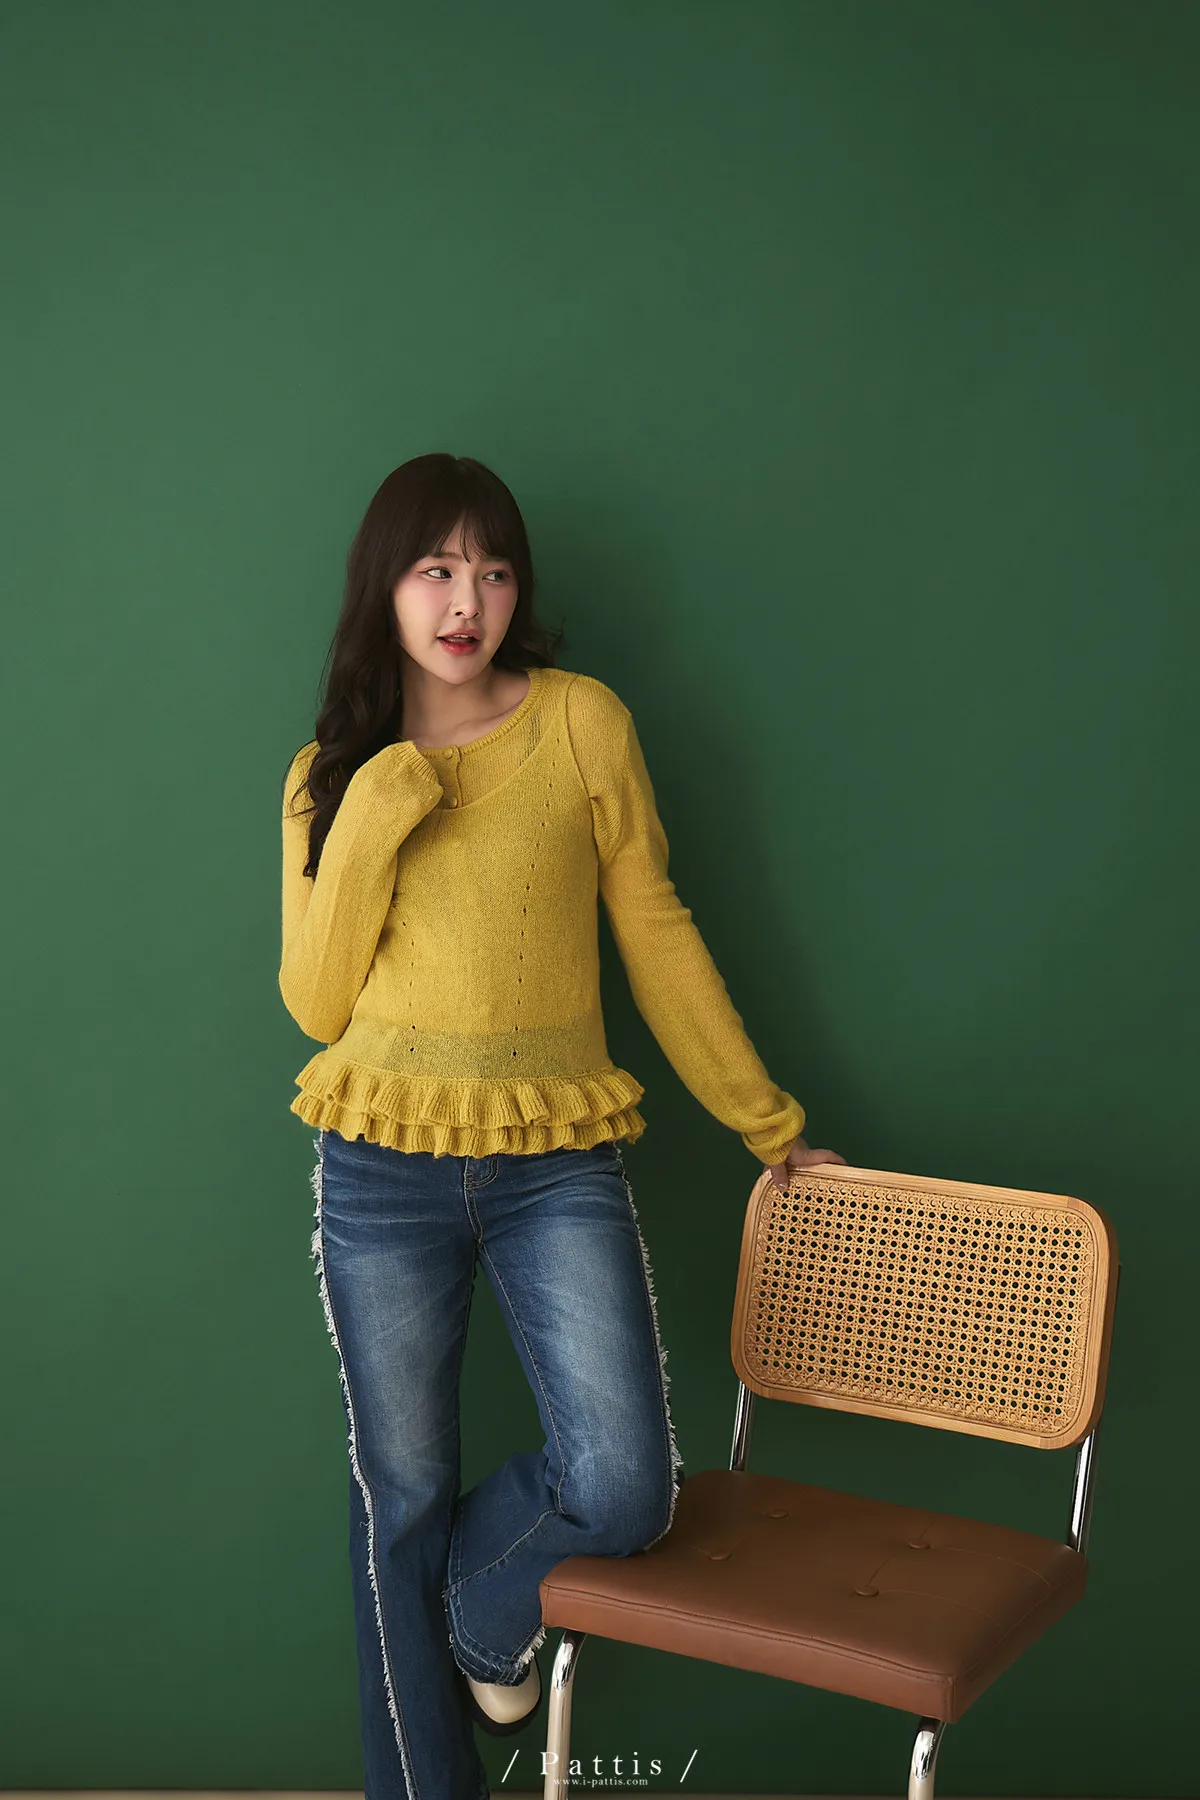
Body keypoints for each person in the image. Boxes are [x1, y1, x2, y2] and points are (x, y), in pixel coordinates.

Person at [278, 453, 847, 1800]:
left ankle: (481, 1616)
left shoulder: (583, 722)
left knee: (627, 1482)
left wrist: (768, 1126)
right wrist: (377, 810)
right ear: (385, 589)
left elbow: (656, 930)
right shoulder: (329, 774)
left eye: (492, 570)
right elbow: (314, 1001)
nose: (465, 600)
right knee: (399, 1499)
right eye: (436, 570)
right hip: (381, 1170)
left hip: (553, 1167)